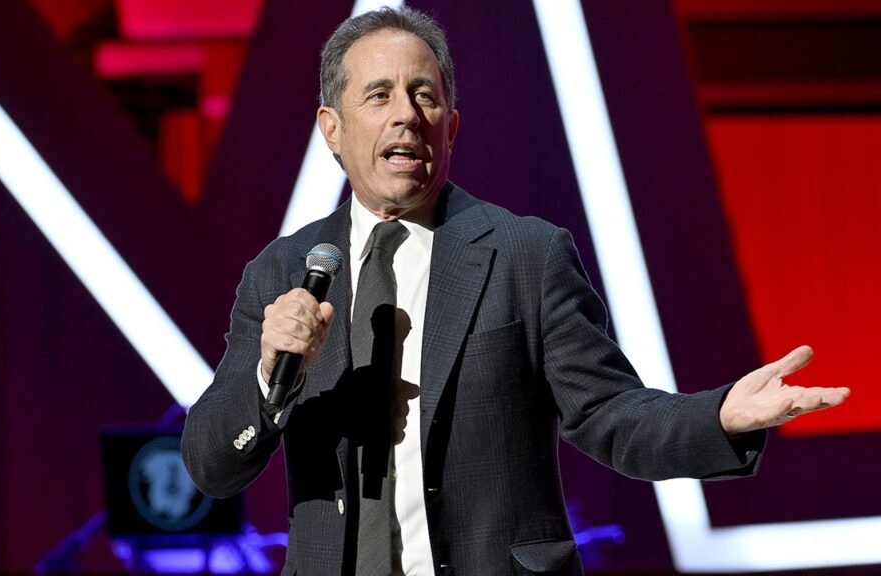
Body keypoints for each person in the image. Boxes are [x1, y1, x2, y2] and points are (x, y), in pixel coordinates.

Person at [182, 7, 849, 575]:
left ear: (451, 126)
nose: (406, 115)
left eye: (424, 95)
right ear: (332, 127)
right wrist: (269, 377)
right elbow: (211, 465)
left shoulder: (526, 256)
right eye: (379, 95)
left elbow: (610, 415)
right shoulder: (281, 273)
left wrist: (719, 416)